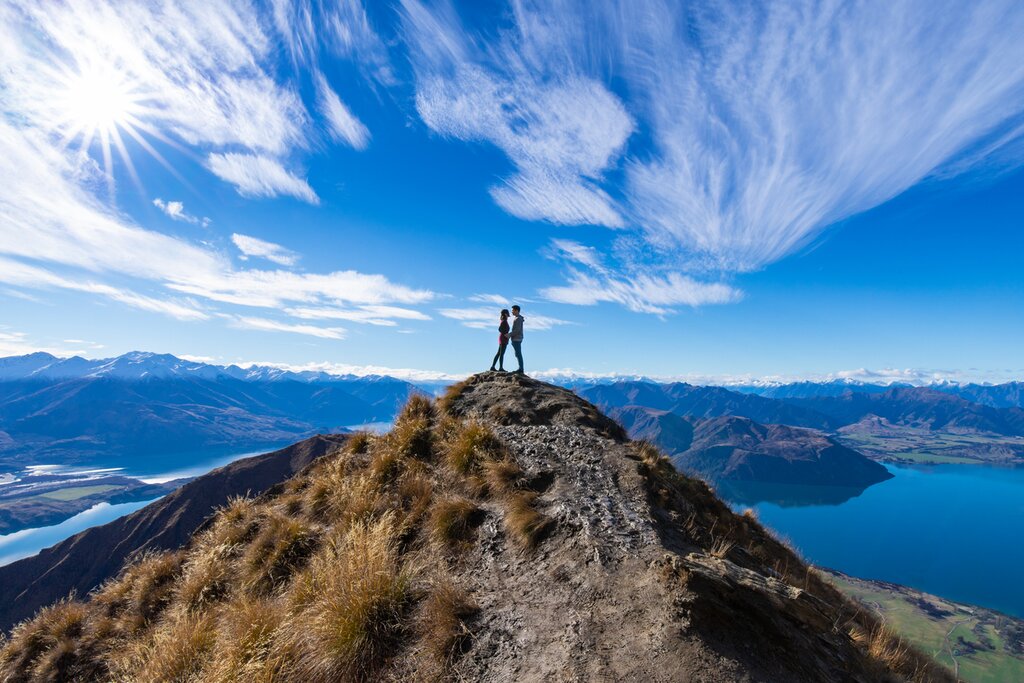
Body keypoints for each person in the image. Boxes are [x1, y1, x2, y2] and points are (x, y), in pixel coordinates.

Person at [509, 304, 525, 375]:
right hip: (516, 338)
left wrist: (509, 334)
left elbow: (517, 330)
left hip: (517, 338)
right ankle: (520, 368)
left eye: (513, 310)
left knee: (518, 354)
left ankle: (521, 369)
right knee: (517, 354)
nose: (512, 312)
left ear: (517, 310)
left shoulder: (518, 319)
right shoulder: (518, 318)